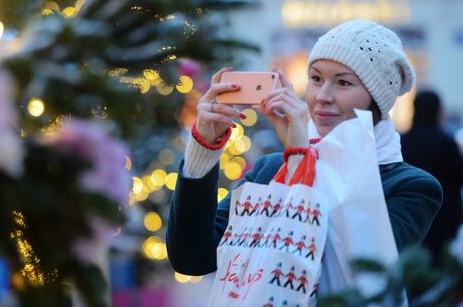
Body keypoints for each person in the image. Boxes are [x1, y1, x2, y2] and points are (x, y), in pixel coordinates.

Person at [166, 20, 442, 283]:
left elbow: (353, 270)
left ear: (377, 99)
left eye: (343, 82)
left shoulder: (412, 186)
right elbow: (194, 258)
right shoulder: (270, 169)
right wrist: (203, 147)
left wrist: (301, 159)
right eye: (316, 78)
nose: (322, 95)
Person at [401, 90, 463, 263]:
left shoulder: (403, 141)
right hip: (443, 218)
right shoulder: (445, 142)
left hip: (411, 216)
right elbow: (458, 176)